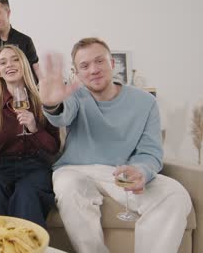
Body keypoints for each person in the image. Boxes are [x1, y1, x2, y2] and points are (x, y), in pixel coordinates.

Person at [39, 37, 192, 253]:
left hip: (118, 173)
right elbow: (61, 116)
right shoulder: (74, 96)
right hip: (75, 169)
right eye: (84, 66)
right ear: (77, 73)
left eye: (99, 61)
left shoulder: (145, 102)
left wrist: (141, 171)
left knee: (174, 194)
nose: (93, 70)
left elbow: (150, 152)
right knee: (68, 187)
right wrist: (51, 104)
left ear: (112, 63)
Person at [0, 44, 60, 228]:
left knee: (26, 193)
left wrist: (34, 128)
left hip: (36, 166)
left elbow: (54, 147)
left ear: (24, 65)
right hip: (5, 166)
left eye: (15, 59)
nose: (10, 65)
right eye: (3, 62)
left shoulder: (41, 98)